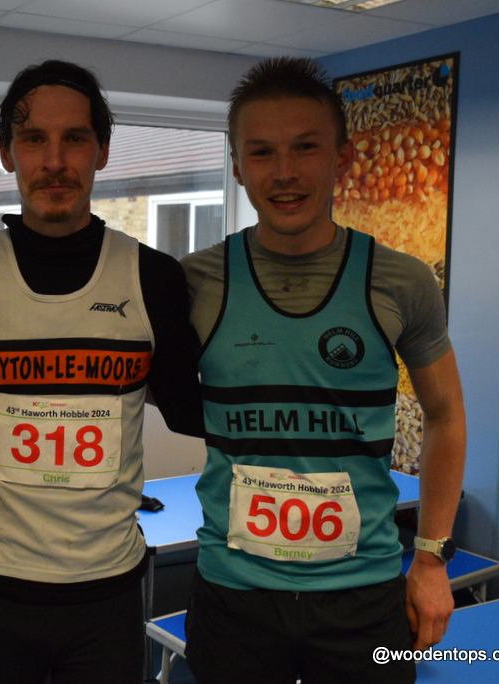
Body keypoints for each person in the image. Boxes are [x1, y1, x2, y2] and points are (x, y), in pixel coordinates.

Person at [180, 56, 467, 683]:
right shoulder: (194, 282)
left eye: (306, 148)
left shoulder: (402, 281)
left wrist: (431, 559)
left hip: (362, 597)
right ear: (236, 166)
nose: (284, 173)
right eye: (261, 153)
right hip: (234, 596)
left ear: (340, 156)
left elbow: (446, 416)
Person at [0, 59, 204, 684]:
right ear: (6, 153)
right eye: (33, 139)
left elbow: (189, 409)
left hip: (107, 592)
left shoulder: (153, 279)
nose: (54, 160)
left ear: (102, 150)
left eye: (74, 138)